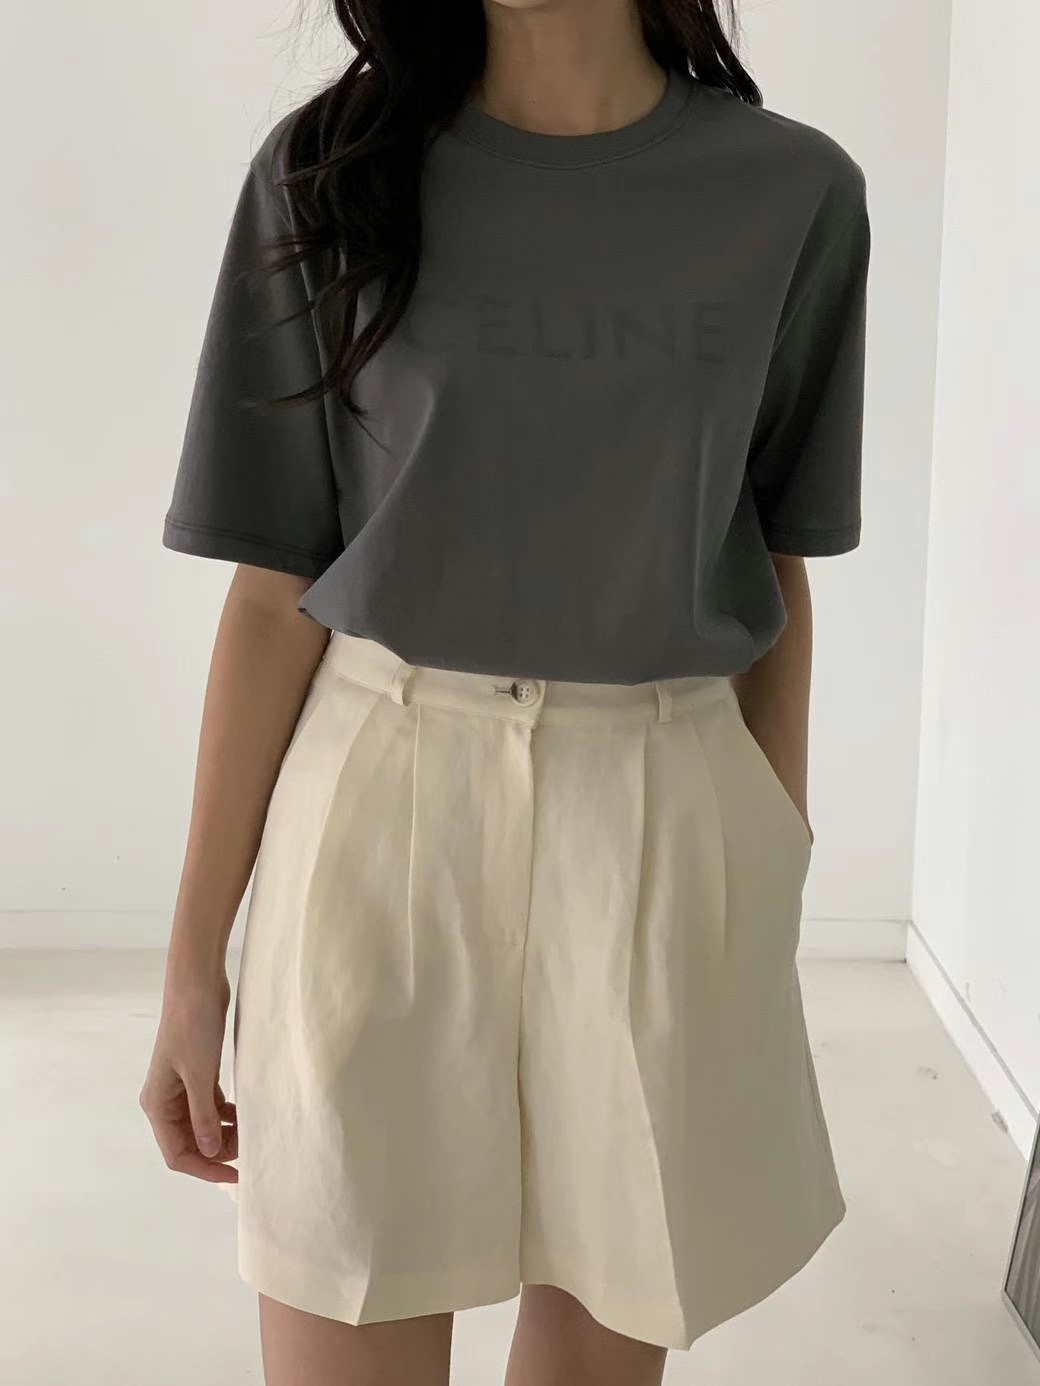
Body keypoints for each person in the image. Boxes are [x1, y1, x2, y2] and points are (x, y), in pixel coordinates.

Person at [139, 2, 871, 1383]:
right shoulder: (329, 173)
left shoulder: (794, 193)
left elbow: (776, 559)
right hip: (379, 803)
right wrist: (191, 962)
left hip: (658, 808)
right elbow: (271, 590)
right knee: (341, 1296)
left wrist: (775, 854)